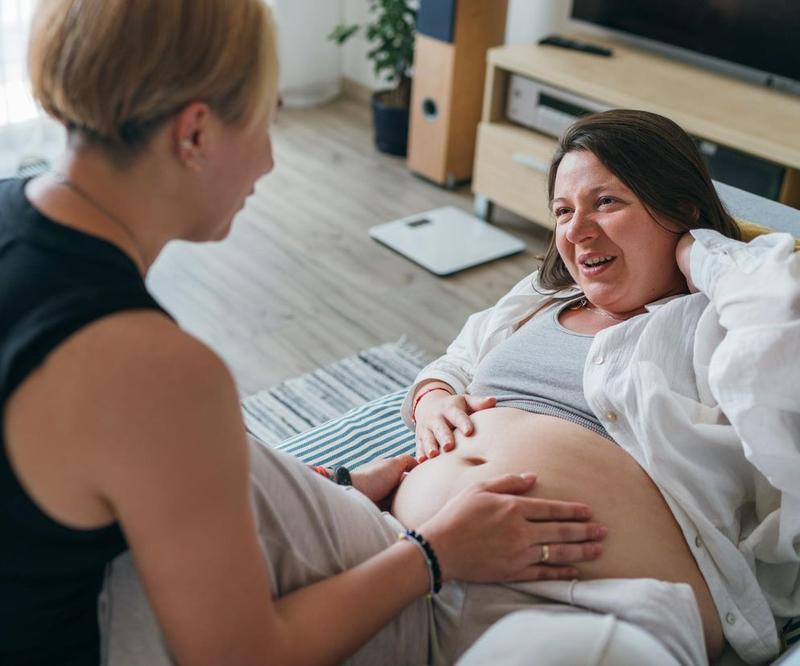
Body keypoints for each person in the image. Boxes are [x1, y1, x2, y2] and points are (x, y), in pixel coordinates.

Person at [0, 1, 609, 665]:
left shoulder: (12, 204)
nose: (267, 160)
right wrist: (436, 553)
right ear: (195, 134)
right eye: (268, 117)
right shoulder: (151, 368)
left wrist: (329, 490)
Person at [397, 109, 800, 665]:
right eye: (563, 211)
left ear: (682, 209)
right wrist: (432, 396)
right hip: (414, 559)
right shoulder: (541, 298)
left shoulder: (713, 322)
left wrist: (696, 251)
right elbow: (457, 359)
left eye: (606, 202)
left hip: (585, 607)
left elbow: (779, 317)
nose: (576, 231)